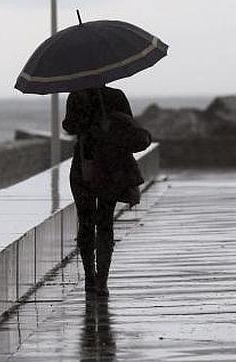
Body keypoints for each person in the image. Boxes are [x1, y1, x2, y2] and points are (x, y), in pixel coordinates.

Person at [62, 86, 151, 296]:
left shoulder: (76, 95)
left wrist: (89, 123)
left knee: (85, 222)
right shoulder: (116, 95)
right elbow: (129, 126)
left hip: (84, 165)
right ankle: (101, 280)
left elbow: (69, 126)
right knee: (104, 222)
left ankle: (90, 278)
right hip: (110, 167)